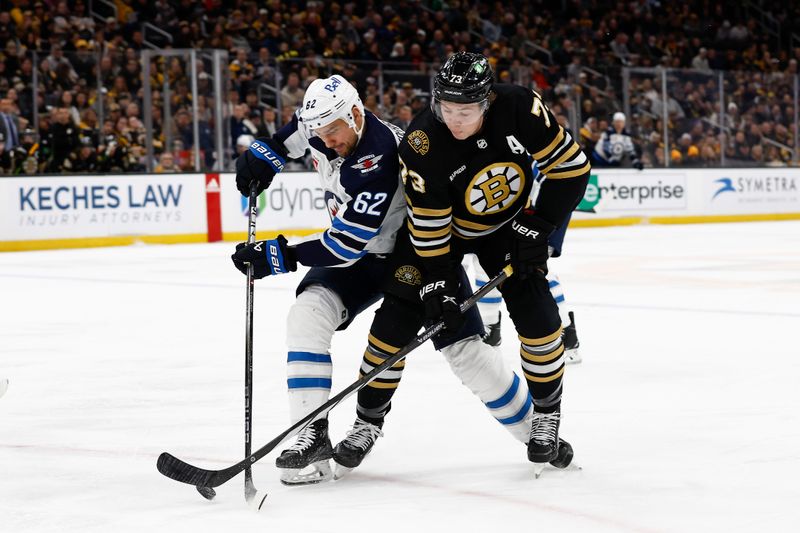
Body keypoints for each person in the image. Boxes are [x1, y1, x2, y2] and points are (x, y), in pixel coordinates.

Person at [231, 74, 536, 485]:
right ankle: (311, 437)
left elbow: (344, 247)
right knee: (305, 317)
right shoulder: (321, 124)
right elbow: (288, 140)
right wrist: (260, 157)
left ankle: (537, 432)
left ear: (356, 115)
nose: (326, 140)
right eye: (318, 132)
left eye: (333, 132)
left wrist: (278, 255)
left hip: (417, 255)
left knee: (465, 353)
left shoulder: (379, 157)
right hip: (362, 256)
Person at [338, 52, 589, 473]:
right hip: (441, 237)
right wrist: (437, 285)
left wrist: (539, 225)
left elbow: (571, 168)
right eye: (446, 108)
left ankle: (546, 414)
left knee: (539, 315)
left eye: (465, 110)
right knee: (394, 323)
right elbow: (430, 227)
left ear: (487, 102)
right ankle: (366, 423)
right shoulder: (421, 142)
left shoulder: (520, 107)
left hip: (508, 227)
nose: (454, 119)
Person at [469, 161, 582, 364]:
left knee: (534, 272)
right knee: (485, 267)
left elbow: (561, 184)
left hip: (539, 223)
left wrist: (539, 229)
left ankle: (565, 334)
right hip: (517, 222)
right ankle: (490, 329)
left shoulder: (537, 148)